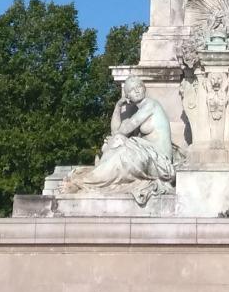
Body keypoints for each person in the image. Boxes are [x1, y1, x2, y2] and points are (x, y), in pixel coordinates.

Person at [61, 77, 174, 206]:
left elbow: (126, 128)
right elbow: (116, 132)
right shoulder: (140, 109)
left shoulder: (151, 105)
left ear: (144, 88)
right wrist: (118, 106)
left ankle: (84, 182)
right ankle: (93, 176)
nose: (136, 91)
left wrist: (116, 138)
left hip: (160, 163)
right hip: (149, 155)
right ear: (128, 96)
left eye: (139, 87)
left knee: (122, 155)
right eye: (132, 90)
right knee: (117, 141)